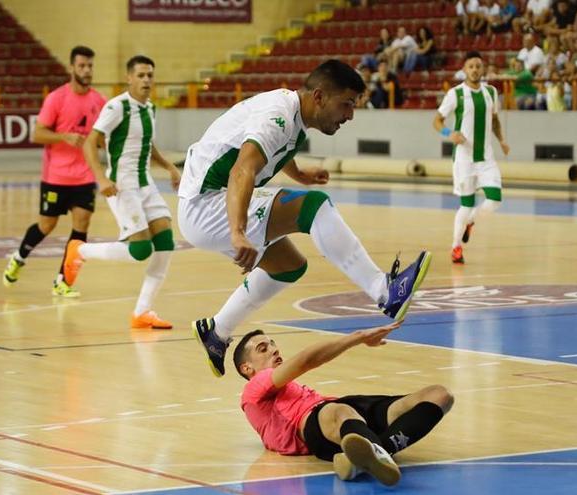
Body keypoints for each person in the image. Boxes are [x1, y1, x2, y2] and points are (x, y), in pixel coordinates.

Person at [178, 60, 432, 377]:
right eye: (347, 104)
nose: (350, 115)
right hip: (207, 204)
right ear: (319, 96)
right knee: (313, 207)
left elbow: (272, 149)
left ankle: (216, 332)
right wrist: (237, 231)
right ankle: (385, 292)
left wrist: (298, 174)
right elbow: (242, 169)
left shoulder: (293, 114)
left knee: (288, 266)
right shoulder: (279, 116)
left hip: (205, 205)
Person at [234, 321, 453, 486]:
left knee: (439, 395)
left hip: (347, 411)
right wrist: (358, 337)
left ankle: (372, 455)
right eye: (263, 349)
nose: (274, 350)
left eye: (273, 344)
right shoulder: (253, 389)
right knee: (338, 411)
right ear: (247, 368)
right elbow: (306, 360)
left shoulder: (281, 386)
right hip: (319, 425)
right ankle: (373, 454)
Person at [62, 56, 181, 330]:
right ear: (129, 78)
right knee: (140, 249)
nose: (146, 80)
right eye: (140, 75)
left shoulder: (150, 108)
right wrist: (101, 177)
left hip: (145, 183)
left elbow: (147, 145)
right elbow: (90, 143)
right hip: (122, 184)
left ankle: (142, 312)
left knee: (164, 242)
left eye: (150, 75)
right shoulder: (117, 107)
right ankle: (80, 250)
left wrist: (170, 167)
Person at [2, 46, 106, 297]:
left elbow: (103, 137)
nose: (87, 70)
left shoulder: (99, 101)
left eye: (90, 66)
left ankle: (63, 280)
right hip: (56, 176)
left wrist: (101, 143)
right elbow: (37, 133)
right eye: (82, 66)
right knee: (47, 225)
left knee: (82, 223)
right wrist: (63, 137)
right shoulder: (57, 98)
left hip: (85, 175)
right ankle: (19, 257)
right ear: (71, 68)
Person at [433, 51, 510, 264]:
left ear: (483, 68)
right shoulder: (455, 94)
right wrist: (450, 134)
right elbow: (437, 121)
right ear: (465, 70)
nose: (475, 70)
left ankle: (471, 222)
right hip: (464, 159)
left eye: (478, 66)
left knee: (495, 199)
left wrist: (502, 140)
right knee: (465, 205)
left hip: (486, 157)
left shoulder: (492, 92)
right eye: (471, 66)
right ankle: (456, 247)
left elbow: (494, 120)